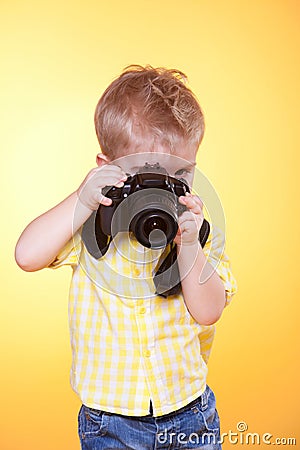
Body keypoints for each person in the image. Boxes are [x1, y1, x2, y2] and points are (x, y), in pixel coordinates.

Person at [15, 65, 237, 449]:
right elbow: (26, 255)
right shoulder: (88, 230)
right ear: (109, 170)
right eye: (148, 178)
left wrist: (188, 246)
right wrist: (82, 198)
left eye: (180, 176)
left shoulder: (197, 231)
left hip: (188, 412)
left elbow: (209, 311)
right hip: (110, 420)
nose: (164, 193)